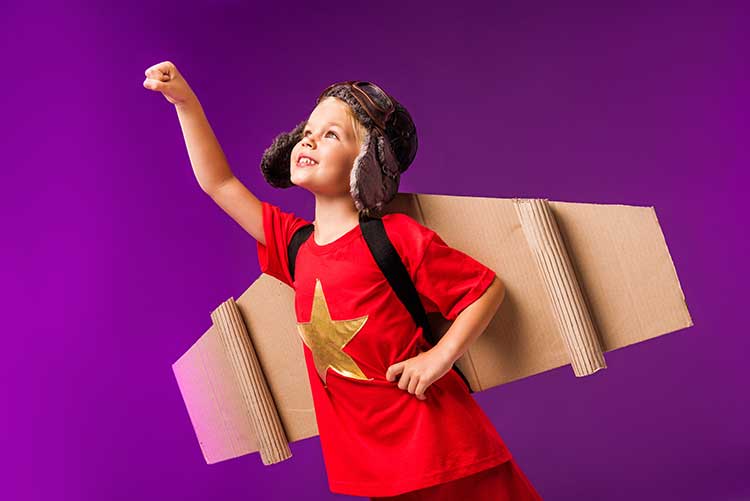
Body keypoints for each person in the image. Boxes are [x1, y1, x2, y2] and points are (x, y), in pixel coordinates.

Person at [143, 61, 543, 500]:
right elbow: (219, 184)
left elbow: (485, 289)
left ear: (366, 163)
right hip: (378, 468)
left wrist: (440, 357)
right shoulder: (293, 247)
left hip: (446, 450)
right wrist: (186, 103)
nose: (310, 138)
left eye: (332, 134)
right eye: (309, 130)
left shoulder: (395, 238)